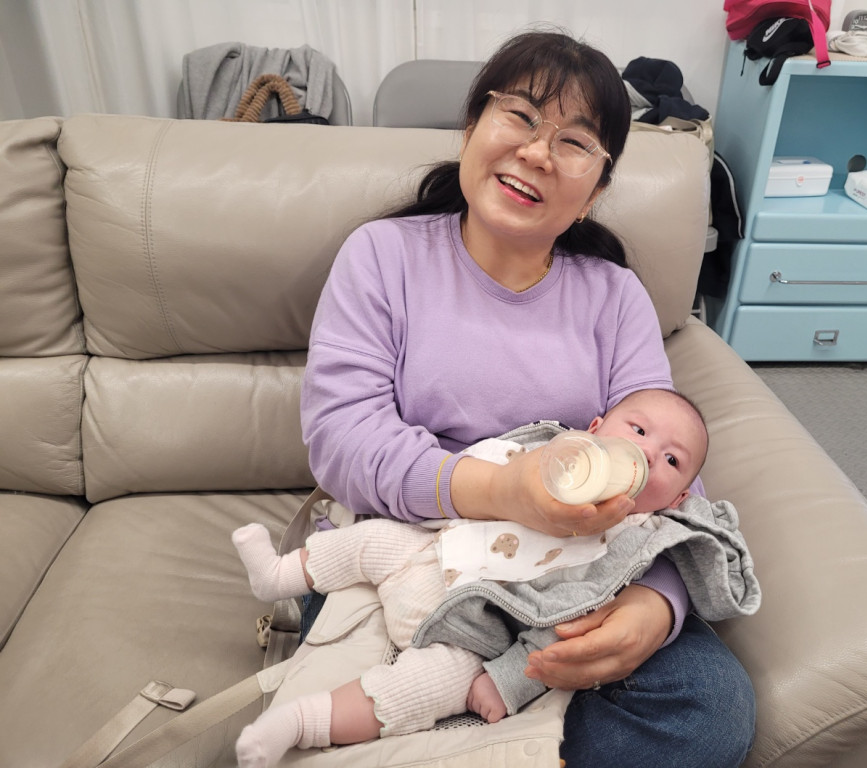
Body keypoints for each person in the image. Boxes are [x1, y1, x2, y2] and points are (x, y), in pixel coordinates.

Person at [295, 29, 755, 768]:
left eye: (574, 142)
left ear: (596, 189)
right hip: (414, 552)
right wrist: (506, 491)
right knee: (334, 708)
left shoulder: (615, 297)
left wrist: (656, 603)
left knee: (711, 710)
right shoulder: (382, 256)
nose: (538, 152)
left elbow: (670, 464)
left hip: (571, 572)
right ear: (472, 126)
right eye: (520, 116)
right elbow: (344, 440)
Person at [232, 389, 760, 766]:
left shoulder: (630, 546)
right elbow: (346, 437)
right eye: (637, 432)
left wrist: (508, 680)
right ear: (593, 430)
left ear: (679, 498)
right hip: (426, 545)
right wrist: (497, 488)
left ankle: (300, 723)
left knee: (424, 688)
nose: (644, 453)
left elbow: (565, 621)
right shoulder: (551, 452)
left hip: (477, 628)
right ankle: (278, 575)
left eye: (670, 459)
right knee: (367, 542)